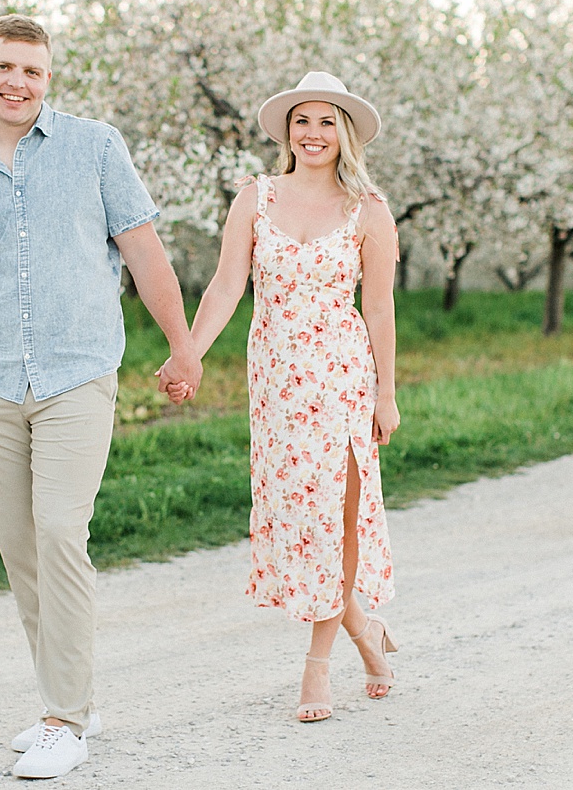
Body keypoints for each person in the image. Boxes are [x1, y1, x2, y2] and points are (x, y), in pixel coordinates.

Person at [0, 14, 201, 779]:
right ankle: (68, 691)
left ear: (49, 78)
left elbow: (144, 253)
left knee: (58, 532)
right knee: (22, 552)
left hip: (77, 374)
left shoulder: (96, 147)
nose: (18, 83)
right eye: (4, 67)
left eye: (33, 71)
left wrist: (181, 345)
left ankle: (64, 719)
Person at [166, 71, 400, 722]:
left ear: (344, 132)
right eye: (304, 121)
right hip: (275, 387)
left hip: (343, 382)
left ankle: (317, 667)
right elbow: (223, 287)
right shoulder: (256, 198)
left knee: (336, 517)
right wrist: (189, 352)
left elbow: (378, 310)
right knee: (301, 520)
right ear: (287, 131)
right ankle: (367, 633)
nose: (314, 133)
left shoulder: (369, 209)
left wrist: (387, 394)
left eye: (327, 121)